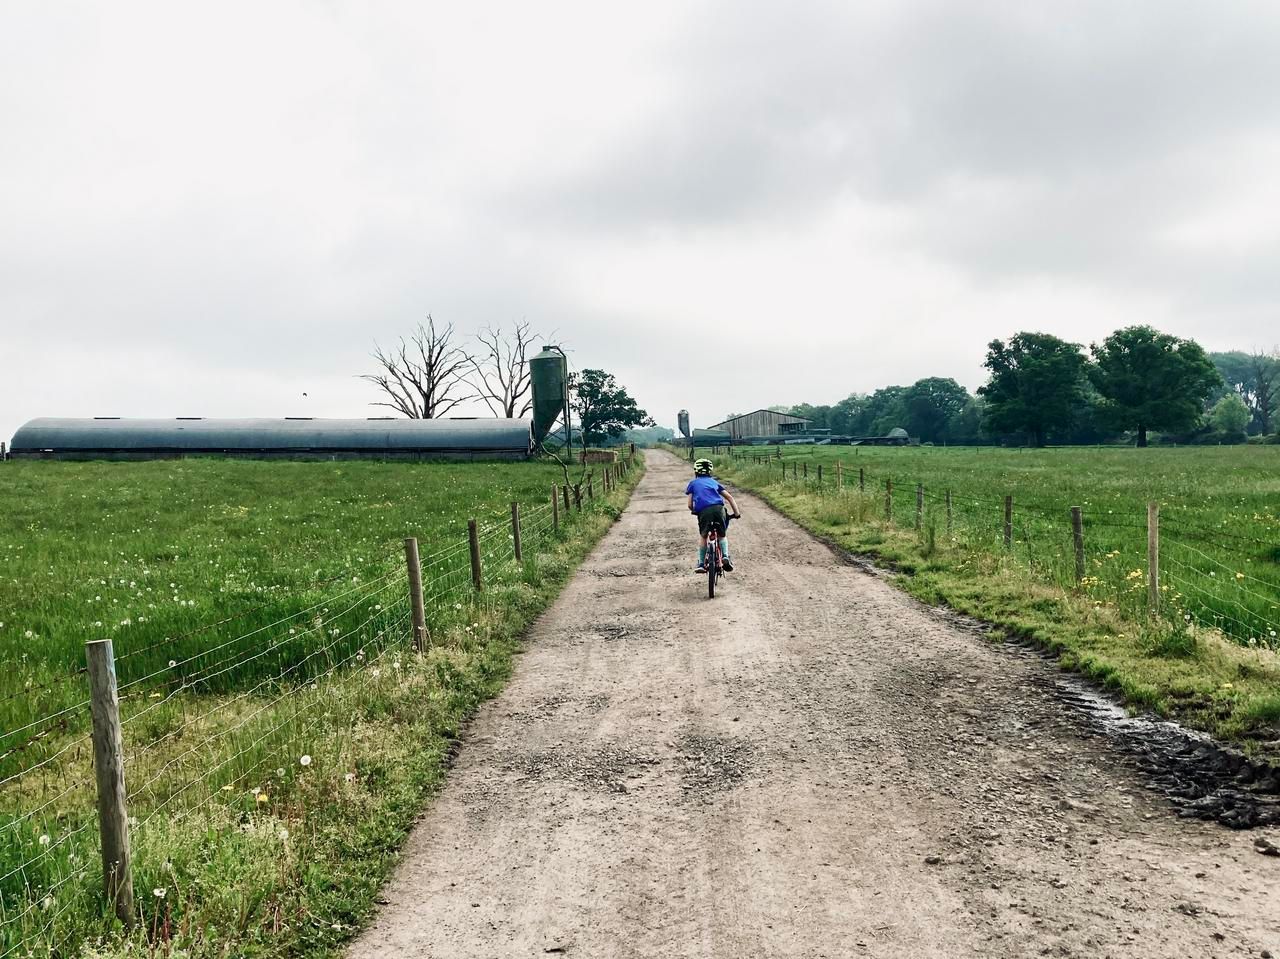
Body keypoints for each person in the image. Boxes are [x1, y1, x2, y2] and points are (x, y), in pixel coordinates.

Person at [686, 458, 741, 573]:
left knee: (703, 536)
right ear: (710, 471)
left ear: (696, 471)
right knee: (722, 535)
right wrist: (736, 513)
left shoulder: (693, 484)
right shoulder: (714, 482)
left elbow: (690, 504)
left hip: (704, 511)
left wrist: (695, 510)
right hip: (718, 509)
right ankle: (725, 556)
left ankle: (701, 563)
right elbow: (730, 497)